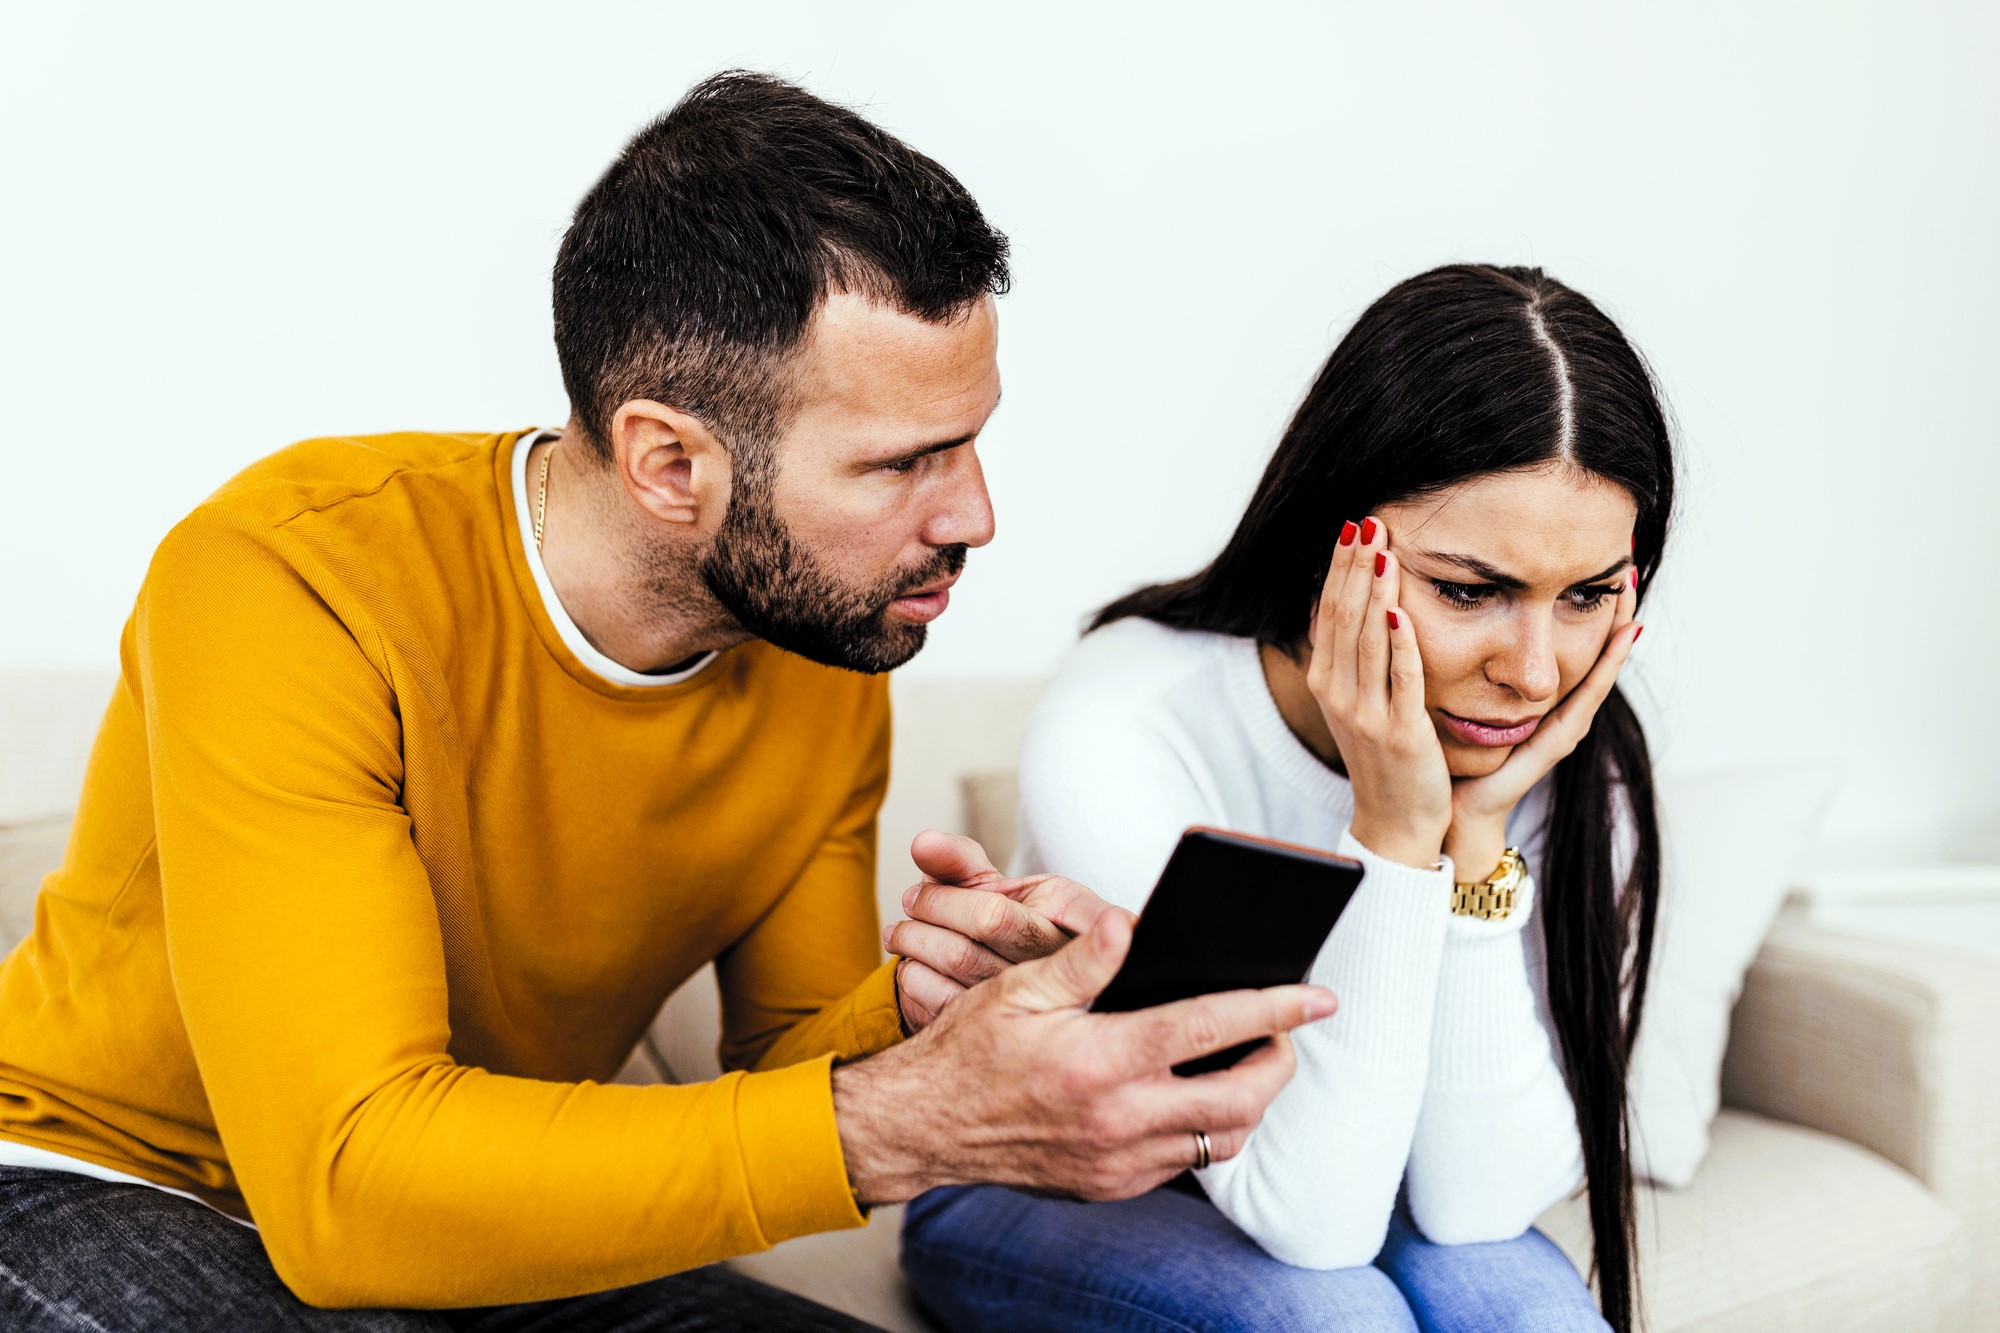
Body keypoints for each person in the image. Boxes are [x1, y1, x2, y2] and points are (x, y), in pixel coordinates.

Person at [0, 72, 1336, 1332]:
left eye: (972, 439)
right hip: (115, 1183)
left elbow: (780, 1074)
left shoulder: (826, 640)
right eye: (901, 462)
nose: (974, 515)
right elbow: (344, 1185)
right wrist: (912, 1119)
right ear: (667, 462)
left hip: (494, 1226)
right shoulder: (294, 577)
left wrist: (940, 1013)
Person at [891, 264, 1672, 1333]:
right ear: (1331, 545)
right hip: (1048, 1179)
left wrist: (1475, 841)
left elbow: (1477, 1206)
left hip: (1360, 1169)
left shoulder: (1568, 757)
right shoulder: (1132, 718)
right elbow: (1314, 1220)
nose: (1534, 674)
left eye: (1584, 597)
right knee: (1334, 1318)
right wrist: (1397, 835)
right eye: (1466, 590)